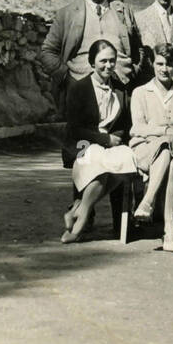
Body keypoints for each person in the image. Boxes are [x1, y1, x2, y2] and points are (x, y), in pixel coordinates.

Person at [60, 40, 139, 244]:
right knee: (97, 161)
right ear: (92, 62)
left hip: (110, 144)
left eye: (112, 61)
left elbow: (124, 123)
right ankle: (81, 222)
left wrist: (115, 138)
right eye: (103, 61)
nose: (108, 66)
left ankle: (78, 209)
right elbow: (75, 128)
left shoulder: (120, 89)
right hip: (81, 143)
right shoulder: (78, 89)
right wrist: (104, 139)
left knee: (127, 158)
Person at [39, 0, 142, 109]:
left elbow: (138, 48)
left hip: (121, 87)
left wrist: (132, 71)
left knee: (119, 131)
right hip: (81, 89)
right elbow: (47, 51)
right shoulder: (67, 14)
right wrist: (67, 77)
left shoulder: (124, 11)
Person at [128, 44, 173, 252]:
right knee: (169, 158)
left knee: (171, 156)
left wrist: (160, 132)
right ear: (153, 64)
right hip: (145, 150)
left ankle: (148, 201)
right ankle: (169, 228)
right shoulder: (141, 92)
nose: (164, 69)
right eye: (160, 63)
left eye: (169, 65)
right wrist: (168, 130)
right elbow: (137, 128)